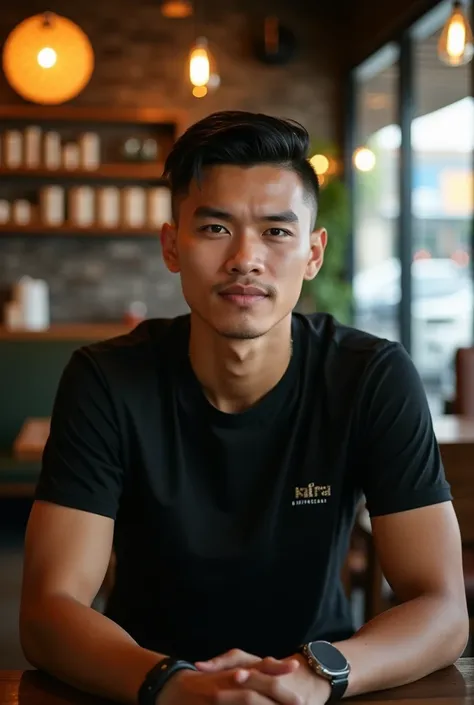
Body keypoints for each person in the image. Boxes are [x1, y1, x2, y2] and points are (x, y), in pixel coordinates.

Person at [20, 110, 468, 705]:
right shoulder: (107, 379)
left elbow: (442, 607)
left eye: (277, 232)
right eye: (215, 228)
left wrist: (317, 675)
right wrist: (176, 685)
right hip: (141, 681)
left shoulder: (370, 377)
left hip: (319, 683)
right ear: (171, 245)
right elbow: (49, 611)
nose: (245, 259)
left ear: (313, 253)